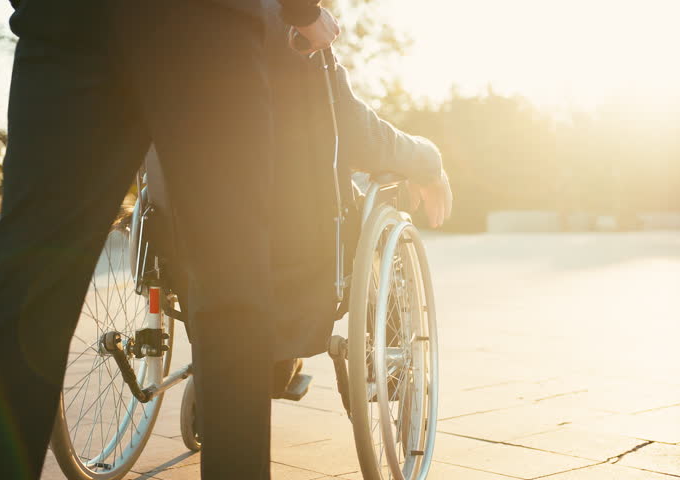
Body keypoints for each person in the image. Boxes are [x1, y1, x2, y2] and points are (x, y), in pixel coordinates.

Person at [0, 1, 339, 479]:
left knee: (27, 265)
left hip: (67, 20)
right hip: (203, 23)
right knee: (230, 270)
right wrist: (303, 10)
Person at [144, 0, 452, 399]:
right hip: (295, 248)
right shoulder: (294, 25)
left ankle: (262, 367)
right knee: (372, 209)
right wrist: (429, 161)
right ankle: (384, 377)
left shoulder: (160, 31)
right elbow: (358, 134)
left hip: (188, 241)